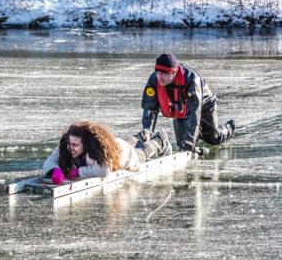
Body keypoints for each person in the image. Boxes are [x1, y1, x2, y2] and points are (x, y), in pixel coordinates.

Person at [141, 53, 235, 153]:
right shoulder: (154, 80)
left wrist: (190, 140)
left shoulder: (192, 79)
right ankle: (195, 135)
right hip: (180, 107)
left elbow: (194, 112)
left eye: (164, 73)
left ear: (174, 73)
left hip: (204, 104)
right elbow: (150, 109)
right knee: (182, 144)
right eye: (158, 72)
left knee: (213, 139)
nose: (159, 77)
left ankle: (228, 128)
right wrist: (147, 133)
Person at [42, 122, 170, 185]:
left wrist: (77, 172)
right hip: (115, 144)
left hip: (124, 153)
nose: (70, 148)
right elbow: (50, 160)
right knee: (124, 143)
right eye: (70, 144)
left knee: (141, 153)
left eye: (75, 145)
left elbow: (104, 170)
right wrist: (55, 170)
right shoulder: (68, 146)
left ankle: (159, 141)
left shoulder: (100, 151)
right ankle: (141, 135)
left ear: (86, 145)